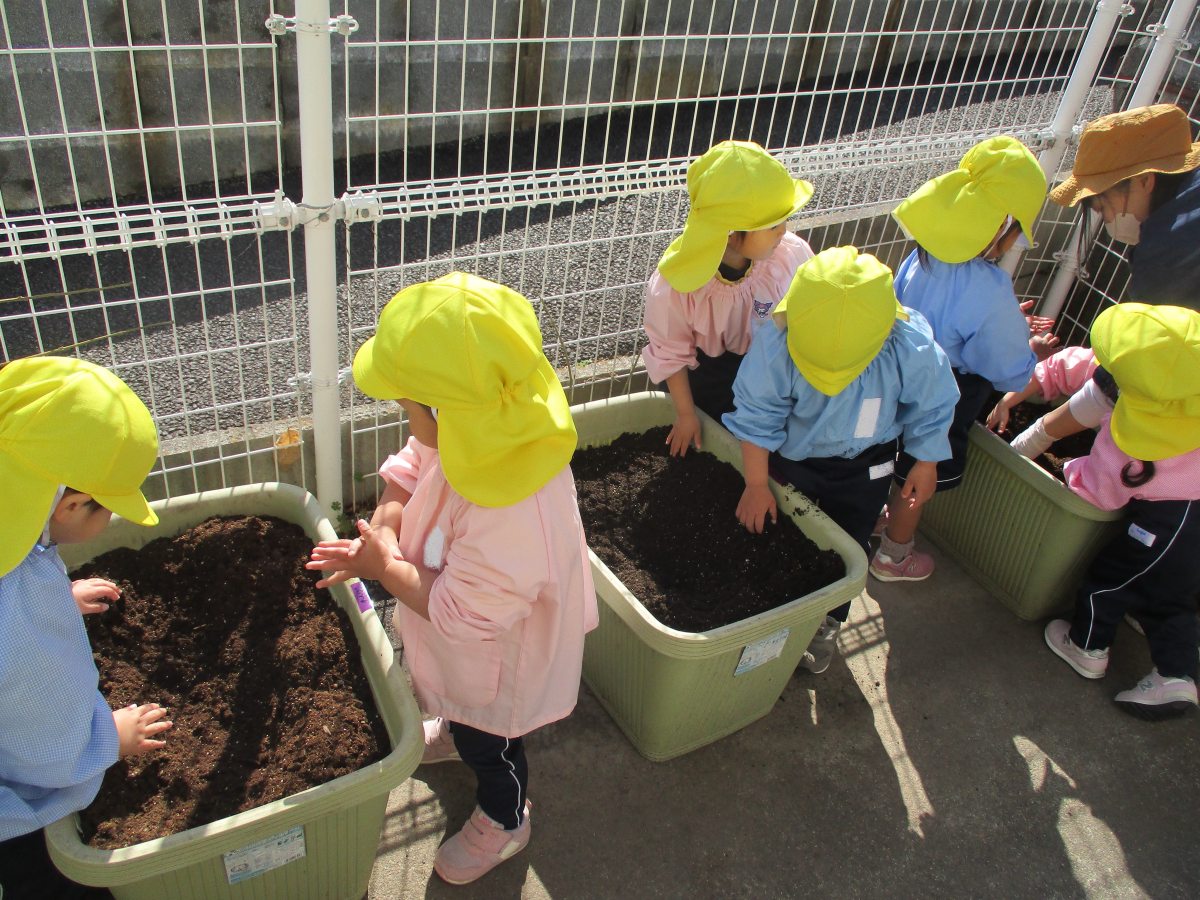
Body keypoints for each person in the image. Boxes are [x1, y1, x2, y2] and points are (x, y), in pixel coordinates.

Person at [307, 272, 598, 885]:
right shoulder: (488, 418)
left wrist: (383, 567)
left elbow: (464, 614)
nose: (404, 418)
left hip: (500, 656)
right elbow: (416, 459)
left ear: (445, 413)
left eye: (407, 409)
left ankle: (506, 817)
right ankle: (455, 722)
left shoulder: (512, 507)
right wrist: (388, 515)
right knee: (464, 713)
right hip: (463, 636)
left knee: (494, 746)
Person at [722, 246, 959, 674]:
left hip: (869, 465)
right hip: (794, 461)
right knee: (782, 532)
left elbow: (933, 401)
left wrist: (926, 460)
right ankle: (771, 607)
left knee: (849, 540)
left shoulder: (907, 344)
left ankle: (828, 619)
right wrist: (756, 484)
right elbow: (758, 415)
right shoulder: (778, 343)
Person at [0, 357, 172, 899]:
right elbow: (41, 734)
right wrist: (107, 740)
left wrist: (56, 597)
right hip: (19, 813)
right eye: (107, 509)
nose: (109, 521)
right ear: (71, 504)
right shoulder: (16, 630)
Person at [1007, 303, 1200, 719]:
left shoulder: (1138, 443)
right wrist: (1035, 381)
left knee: (1110, 581)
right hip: (1190, 520)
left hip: (1166, 526)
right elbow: (1086, 369)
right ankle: (1178, 672)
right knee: (1172, 594)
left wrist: (1067, 470)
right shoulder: (1184, 393)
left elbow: (1100, 494)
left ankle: (1087, 647)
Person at [870, 135, 1048, 582]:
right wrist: (1031, 348)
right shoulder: (990, 287)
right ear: (1002, 228)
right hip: (945, 390)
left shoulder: (923, 254)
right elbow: (1002, 364)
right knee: (917, 474)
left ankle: (873, 517)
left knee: (884, 451)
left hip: (895, 368)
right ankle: (893, 556)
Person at [643, 139, 815, 456]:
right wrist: (685, 415)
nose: (783, 230)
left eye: (784, 220)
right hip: (705, 373)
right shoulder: (679, 285)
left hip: (766, 365)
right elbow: (671, 353)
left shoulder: (787, 256)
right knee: (711, 443)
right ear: (731, 232)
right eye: (772, 225)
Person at [1049, 103, 1200, 309]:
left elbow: (1153, 324)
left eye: (1102, 209)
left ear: (1144, 182)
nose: (1106, 221)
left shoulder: (1165, 251)